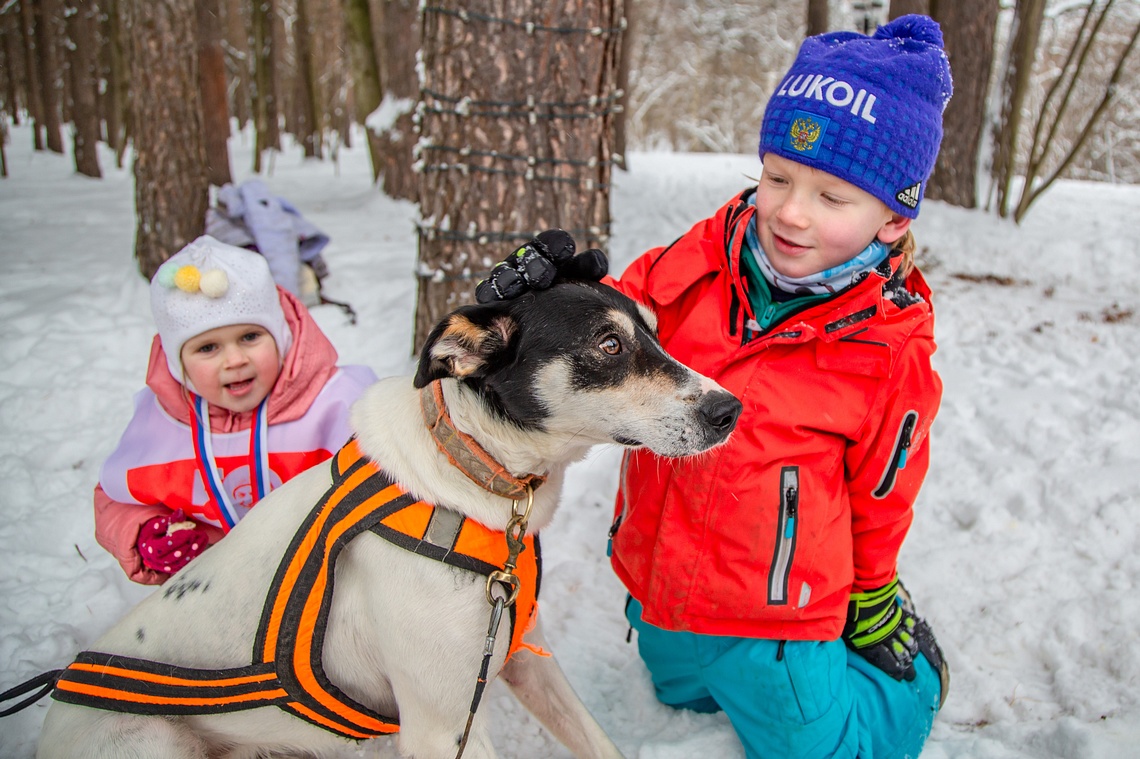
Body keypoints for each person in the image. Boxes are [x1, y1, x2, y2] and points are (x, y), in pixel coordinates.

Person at [476, 15, 952, 759]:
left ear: (893, 217)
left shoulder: (888, 350)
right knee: (674, 686)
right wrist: (541, 299)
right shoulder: (699, 259)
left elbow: (885, 488)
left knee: (821, 749)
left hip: (778, 618)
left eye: (833, 197)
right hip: (661, 585)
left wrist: (874, 590)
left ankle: (908, 686)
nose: (791, 212)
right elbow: (614, 322)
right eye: (778, 177)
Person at [94, 236, 376, 585]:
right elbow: (115, 500)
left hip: (323, 588)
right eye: (208, 347)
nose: (235, 360)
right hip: (211, 593)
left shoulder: (338, 403)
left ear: (282, 336)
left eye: (250, 337)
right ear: (176, 361)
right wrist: (144, 534)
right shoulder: (161, 422)